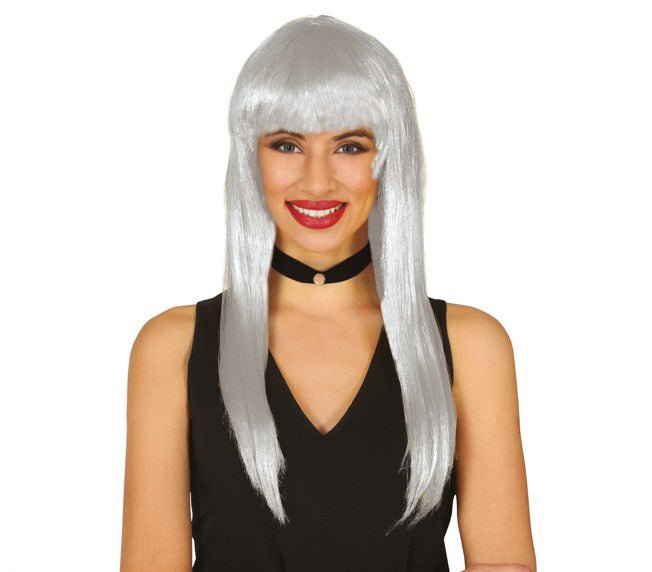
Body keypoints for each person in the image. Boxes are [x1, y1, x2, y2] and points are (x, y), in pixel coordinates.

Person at [120, 15, 536, 572]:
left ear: (389, 159)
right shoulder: (174, 347)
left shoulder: (470, 346)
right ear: (250, 158)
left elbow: (502, 563)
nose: (317, 181)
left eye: (349, 145)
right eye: (287, 144)